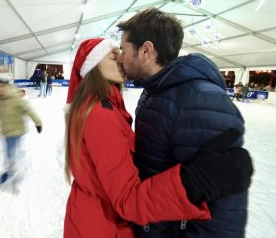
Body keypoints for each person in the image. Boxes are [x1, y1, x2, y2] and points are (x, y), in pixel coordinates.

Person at [64, 38, 253, 238]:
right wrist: (195, 181)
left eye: (120, 51)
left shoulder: (96, 106)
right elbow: (126, 200)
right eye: (112, 56)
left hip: (90, 219)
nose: (121, 59)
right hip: (103, 227)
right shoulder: (100, 114)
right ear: (92, 66)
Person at [116, 8, 250, 237]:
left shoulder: (199, 100)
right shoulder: (155, 91)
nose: (120, 57)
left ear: (146, 50)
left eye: (123, 49)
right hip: (154, 223)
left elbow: (223, 203)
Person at [0, 73, 43, 185]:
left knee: (10, 153)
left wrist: (38, 122)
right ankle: (12, 170)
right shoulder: (0, 99)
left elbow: (29, 110)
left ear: (5, 86)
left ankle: (14, 172)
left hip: (17, 130)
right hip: (7, 130)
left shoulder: (15, 97)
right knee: (9, 152)